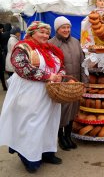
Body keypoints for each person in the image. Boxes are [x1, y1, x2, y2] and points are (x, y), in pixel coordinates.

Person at [0, 21, 66, 173]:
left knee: (50, 122)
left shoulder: (51, 50)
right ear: (31, 33)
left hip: (50, 93)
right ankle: (30, 158)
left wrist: (60, 75)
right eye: (41, 32)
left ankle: (47, 152)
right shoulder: (22, 47)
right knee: (31, 124)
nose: (45, 35)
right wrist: (49, 75)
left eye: (46, 33)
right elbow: (22, 67)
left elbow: (60, 65)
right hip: (29, 93)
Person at [49, 16, 88, 151]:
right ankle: (61, 138)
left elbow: (83, 63)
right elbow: (51, 67)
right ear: (57, 29)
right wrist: (61, 80)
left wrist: (84, 82)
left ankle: (68, 136)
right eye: (63, 27)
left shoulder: (76, 42)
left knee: (73, 111)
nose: (66, 30)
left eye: (68, 27)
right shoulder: (51, 44)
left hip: (76, 83)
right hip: (61, 85)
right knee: (61, 112)